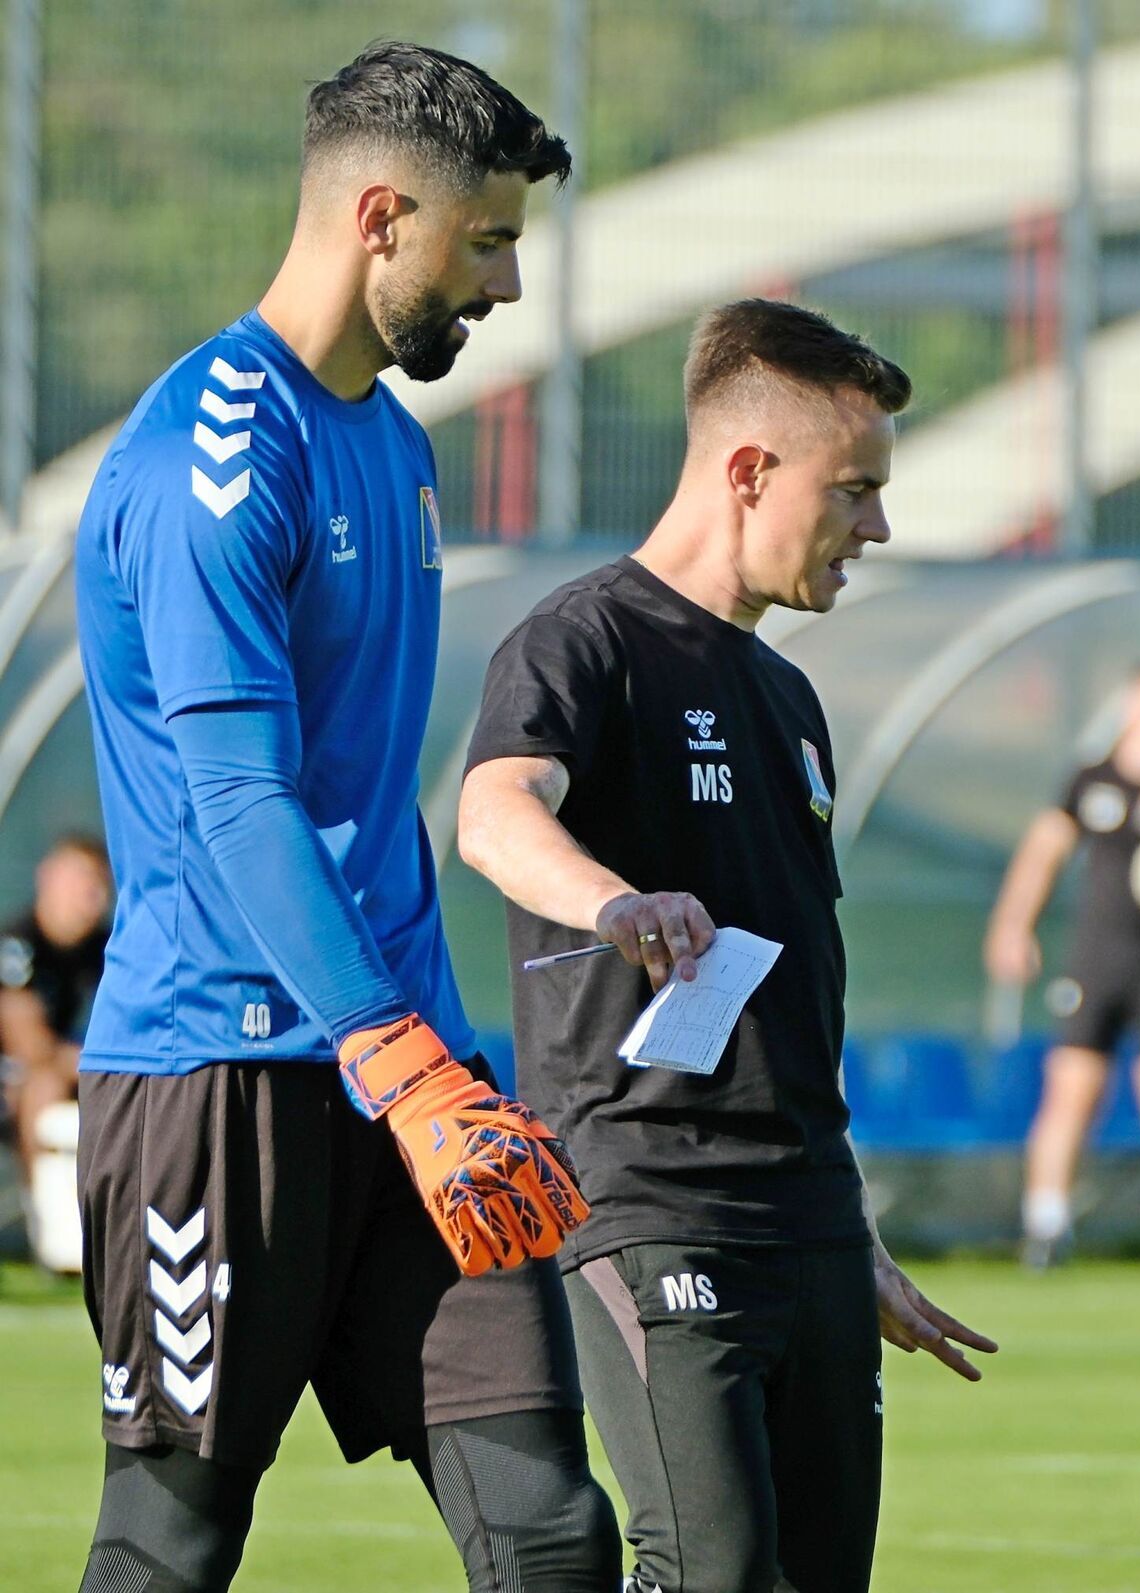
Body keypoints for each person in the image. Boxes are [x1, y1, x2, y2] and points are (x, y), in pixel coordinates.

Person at [73, 42, 619, 1593]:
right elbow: (240, 800)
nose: (507, 284)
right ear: (384, 215)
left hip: (403, 1069)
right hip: (216, 1073)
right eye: (490, 239)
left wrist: (417, 1063)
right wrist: (401, 1060)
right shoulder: (210, 459)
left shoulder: (391, 439)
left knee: (549, 1527)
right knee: (173, 1536)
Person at [459, 299, 998, 1593]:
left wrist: (853, 1227)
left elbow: (795, 995)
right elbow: (493, 812)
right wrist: (610, 902)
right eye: (857, 490)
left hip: (808, 1221)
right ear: (751, 472)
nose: (878, 526)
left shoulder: (788, 697)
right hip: (652, 1205)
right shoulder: (584, 642)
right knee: (712, 1568)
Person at [984, 664, 1140, 1268]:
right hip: (1098, 962)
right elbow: (1043, 853)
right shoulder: (1092, 781)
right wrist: (1013, 926)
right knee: (1073, 1089)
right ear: (1134, 708)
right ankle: (1046, 1226)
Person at [0, 834, 111, 1272]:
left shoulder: (107, 951)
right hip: (22, 1079)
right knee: (40, 1087)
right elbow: (32, 1048)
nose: (89, 897)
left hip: (76, 1072)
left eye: (97, 885)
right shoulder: (18, 946)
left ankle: (103, 1234)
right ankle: (44, 1229)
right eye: (78, 882)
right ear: (48, 880)